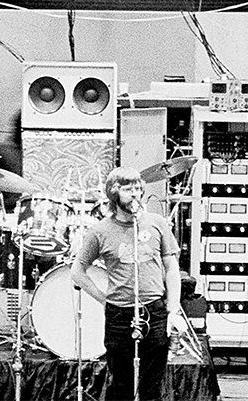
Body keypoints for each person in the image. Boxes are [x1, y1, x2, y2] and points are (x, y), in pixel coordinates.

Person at [71, 166, 188, 401]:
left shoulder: (156, 223)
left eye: (137, 188)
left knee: (152, 385)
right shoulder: (100, 231)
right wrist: (104, 299)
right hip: (119, 314)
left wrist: (172, 310)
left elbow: (172, 268)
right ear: (114, 194)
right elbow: (77, 272)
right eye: (127, 189)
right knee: (120, 384)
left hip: (154, 309)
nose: (135, 194)